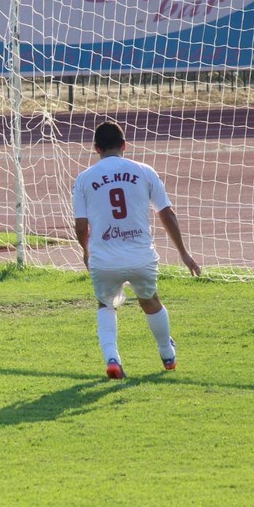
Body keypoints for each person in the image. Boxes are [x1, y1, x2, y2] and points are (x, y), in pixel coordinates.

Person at [72, 120, 201, 379]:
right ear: (124, 145)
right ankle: (167, 354)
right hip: (141, 256)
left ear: (96, 148)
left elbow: (81, 226)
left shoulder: (84, 179)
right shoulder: (144, 171)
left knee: (105, 304)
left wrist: (86, 251)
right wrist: (183, 253)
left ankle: (112, 359)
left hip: (105, 258)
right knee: (150, 300)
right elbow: (167, 214)